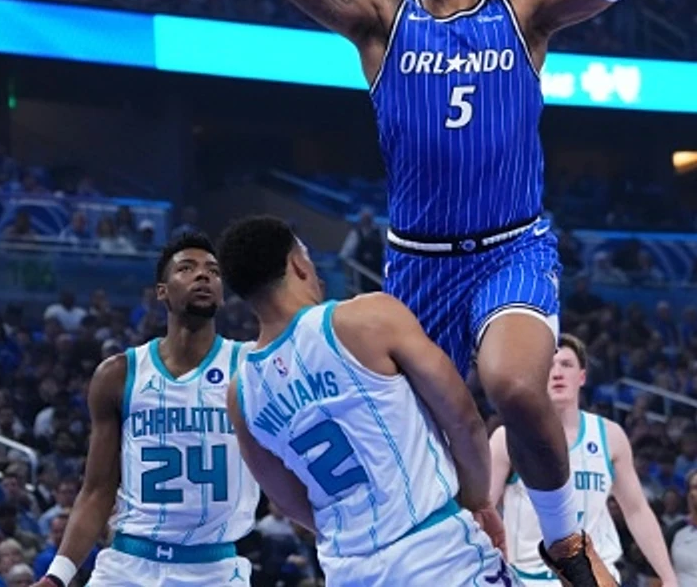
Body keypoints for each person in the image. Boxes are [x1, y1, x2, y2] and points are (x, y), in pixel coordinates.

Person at [203, 0, 697, 587]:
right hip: (416, 266)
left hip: (510, 250)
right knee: (418, 446)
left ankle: (563, 542)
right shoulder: (380, 21)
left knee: (513, 386)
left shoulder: (525, 16)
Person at [217, 215, 511, 587]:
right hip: (436, 549)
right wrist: (479, 501)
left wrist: (359, 539)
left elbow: (289, 503)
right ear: (298, 264)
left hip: (349, 570)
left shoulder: (241, 393)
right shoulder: (366, 318)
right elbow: (463, 417)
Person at [34, 232, 259, 587]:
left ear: (221, 293)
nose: (203, 275)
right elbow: (96, 490)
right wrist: (56, 576)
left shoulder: (251, 366)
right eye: (187, 268)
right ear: (162, 291)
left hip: (215, 569)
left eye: (213, 271)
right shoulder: (118, 374)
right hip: (128, 565)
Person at [491, 335, 678, 585]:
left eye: (566, 364)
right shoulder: (508, 436)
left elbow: (636, 510)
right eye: (549, 366)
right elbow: (483, 509)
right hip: (528, 578)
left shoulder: (610, 436)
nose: (558, 373)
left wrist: (668, 577)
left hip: (596, 577)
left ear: (582, 377)